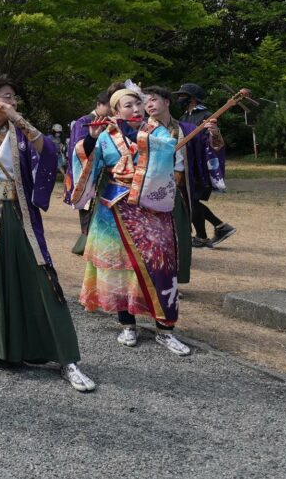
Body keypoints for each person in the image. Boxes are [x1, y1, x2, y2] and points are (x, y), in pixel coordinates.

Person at [0, 74, 95, 392]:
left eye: (12, 97)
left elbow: (49, 152)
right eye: (3, 97)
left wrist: (18, 119)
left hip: (20, 212)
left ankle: (66, 356)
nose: (9, 102)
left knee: (43, 278)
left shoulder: (20, 130)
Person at [69, 83, 192, 356]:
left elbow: (167, 155)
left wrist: (146, 143)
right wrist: (90, 139)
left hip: (152, 208)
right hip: (114, 209)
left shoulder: (155, 131)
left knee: (160, 263)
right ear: (115, 111)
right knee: (120, 268)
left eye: (139, 104)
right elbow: (87, 162)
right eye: (128, 106)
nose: (136, 109)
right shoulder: (104, 136)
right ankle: (127, 323)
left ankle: (165, 328)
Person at [143, 86, 226, 285]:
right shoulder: (140, 129)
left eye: (154, 99)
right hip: (148, 191)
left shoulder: (185, 129)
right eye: (145, 102)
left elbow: (210, 147)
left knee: (178, 236)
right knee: (151, 237)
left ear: (167, 102)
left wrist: (214, 134)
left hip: (178, 191)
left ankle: (170, 282)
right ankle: (149, 281)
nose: (149, 105)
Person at [175, 83, 236, 247]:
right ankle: (211, 231)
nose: (179, 99)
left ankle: (214, 230)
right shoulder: (184, 117)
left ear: (193, 99)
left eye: (183, 95)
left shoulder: (206, 115)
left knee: (191, 201)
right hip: (186, 164)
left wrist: (213, 132)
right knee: (190, 201)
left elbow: (210, 142)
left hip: (199, 164)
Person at [62, 84, 118, 255]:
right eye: (109, 106)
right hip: (86, 172)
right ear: (99, 104)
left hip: (105, 173)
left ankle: (97, 244)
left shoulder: (112, 122)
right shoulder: (84, 121)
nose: (111, 110)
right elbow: (78, 149)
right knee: (87, 208)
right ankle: (85, 244)